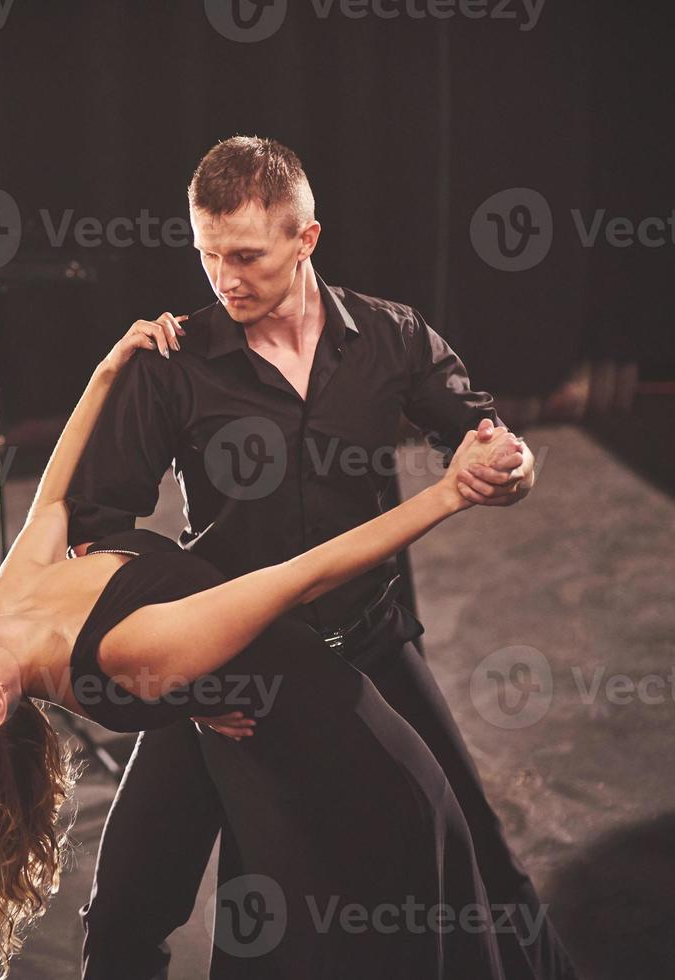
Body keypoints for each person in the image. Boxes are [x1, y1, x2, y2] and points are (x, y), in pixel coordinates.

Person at [0, 308, 525, 980]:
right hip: (341, 750)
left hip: (324, 728)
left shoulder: (11, 599)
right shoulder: (130, 654)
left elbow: (54, 496)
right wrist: (448, 494)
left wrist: (108, 369)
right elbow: (297, 578)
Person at [66, 136, 577, 980]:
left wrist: (511, 469)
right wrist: (182, 673)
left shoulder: (389, 336)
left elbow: (492, 443)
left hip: (369, 641)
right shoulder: (174, 365)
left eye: (245, 256)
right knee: (140, 901)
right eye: (205, 255)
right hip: (237, 664)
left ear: (306, 240)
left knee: (481, 855)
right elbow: (96, 529)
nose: (224, 278)